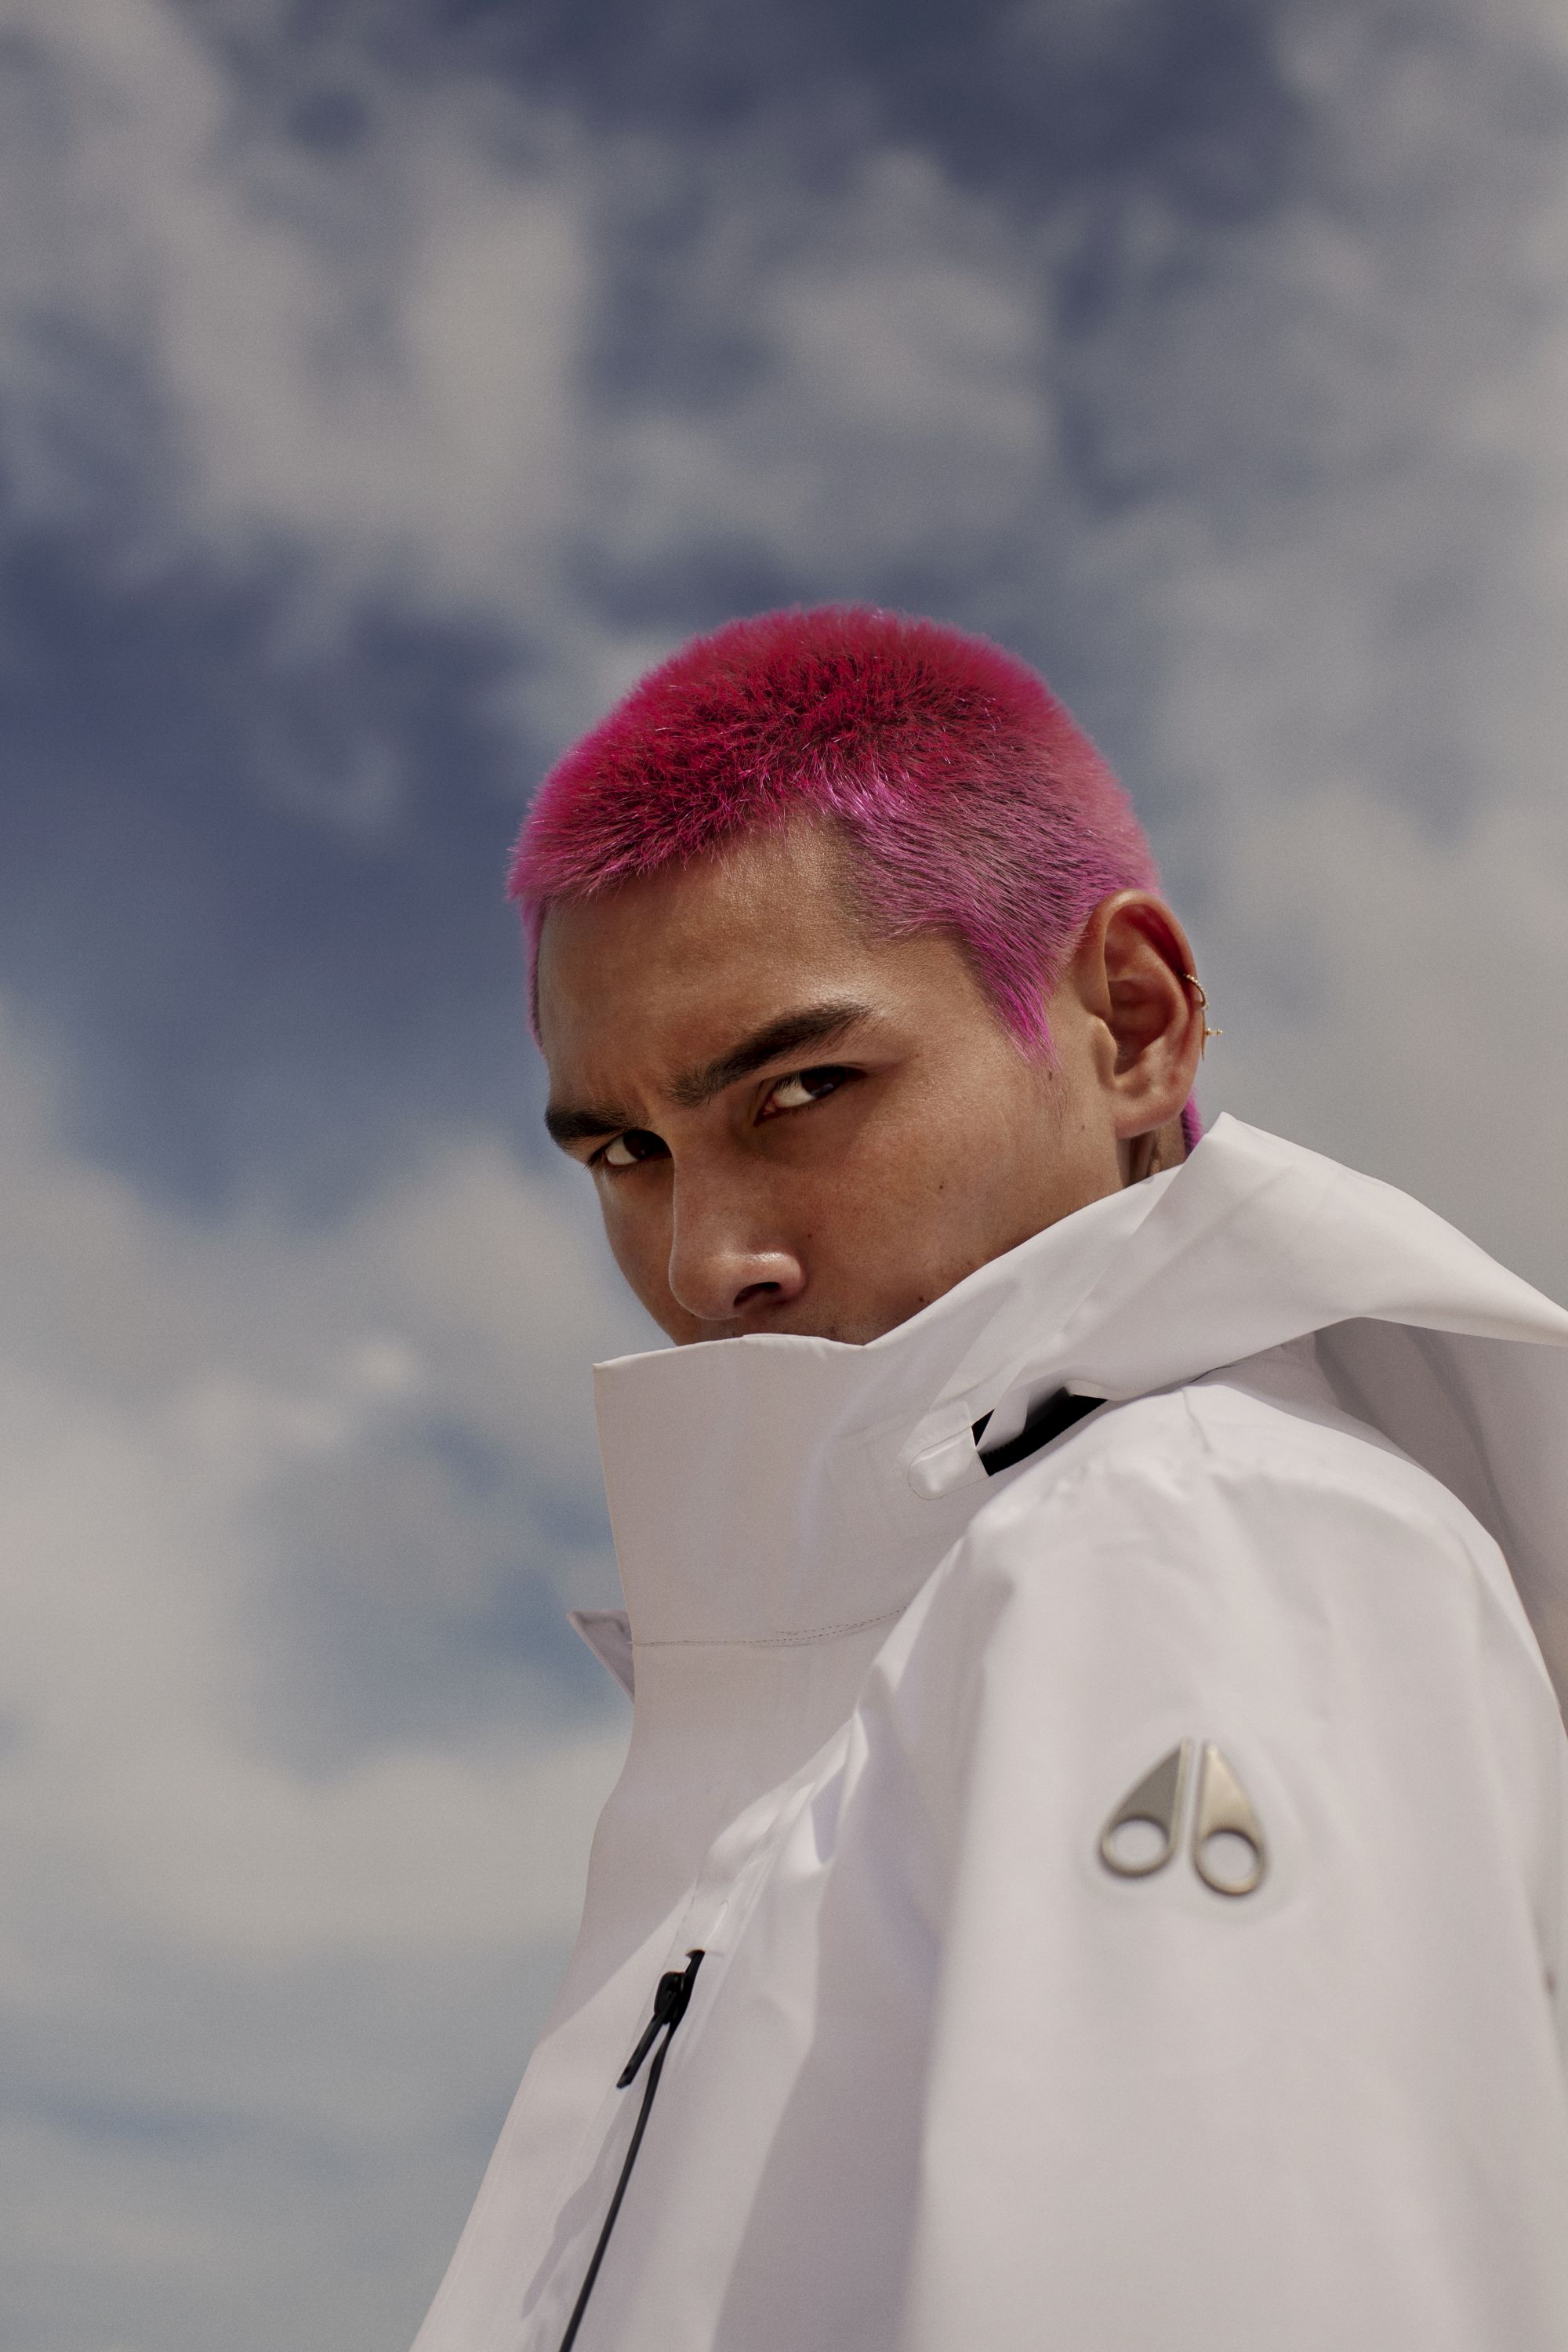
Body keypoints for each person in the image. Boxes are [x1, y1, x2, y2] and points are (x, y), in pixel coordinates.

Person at [412, 606, 1568, 2352]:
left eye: (802, 1087)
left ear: (1133, 1024)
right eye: (627, 1151)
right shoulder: (951, 1617)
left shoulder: (1193, 1531)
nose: (705, 1260)